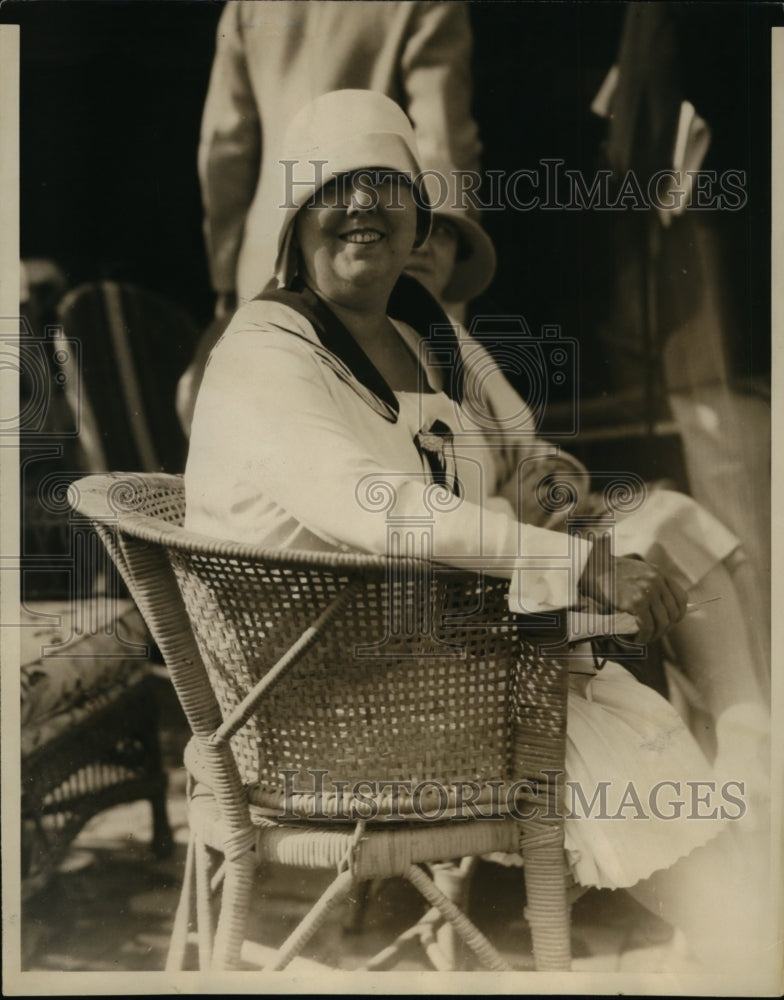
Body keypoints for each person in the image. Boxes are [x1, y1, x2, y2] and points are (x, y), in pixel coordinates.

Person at [185, 90, 771, 972]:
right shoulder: (265, 355)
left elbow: (493, 469)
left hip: (427, 661)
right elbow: (378, 510)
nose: (362, 206)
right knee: (636, 753)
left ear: (420, 211)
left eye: (387, 184)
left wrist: (568, 549)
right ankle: (743, 944)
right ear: (291, 218)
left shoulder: (416, 336)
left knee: (634, 685)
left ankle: (740, 903)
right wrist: (579, 566)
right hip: (321, 711)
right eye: (334, 187)